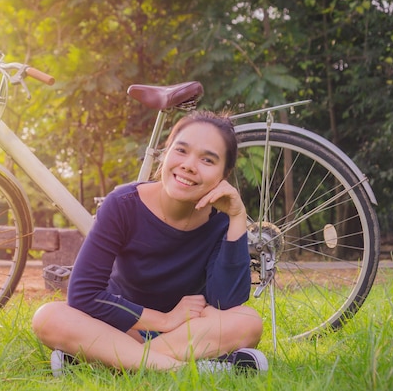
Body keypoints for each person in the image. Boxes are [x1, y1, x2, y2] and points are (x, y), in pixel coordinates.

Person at [32, 110, 266, 376]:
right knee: (48, 317)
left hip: (184, 333)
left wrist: (237, 217)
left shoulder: (221, 222)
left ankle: (111, 362)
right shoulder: (122, 204)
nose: (189, 165)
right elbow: (84, 294)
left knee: (248, 321)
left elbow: (226, 302)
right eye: (181, 150)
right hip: (119, 325)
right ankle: (189, 370)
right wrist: (165, 319)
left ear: (225, 174)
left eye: (207, 160)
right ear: (164, 153)